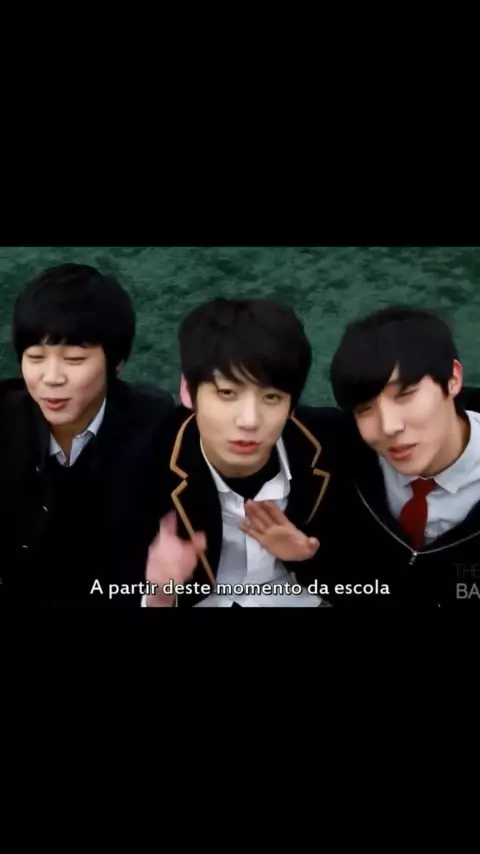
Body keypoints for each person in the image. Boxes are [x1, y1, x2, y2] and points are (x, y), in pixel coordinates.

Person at [250, 306, 480, 608]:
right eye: (365, 409)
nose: (389, 427)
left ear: (452, 379)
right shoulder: (338, 448)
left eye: (405, 394)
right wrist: (305, 557)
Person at [143, 297, 343, 607]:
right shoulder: (142, 459)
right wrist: (160, 594)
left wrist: (306, 556)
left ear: (292, 404)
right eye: (227, 393)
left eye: (271, 397)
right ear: (187, 391)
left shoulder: (332, 442)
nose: (249, 420)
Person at [0, 262, 175, 605]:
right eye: (36, 357)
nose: (51, 377)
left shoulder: (155, 425)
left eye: (74, 359)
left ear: (117, 362)